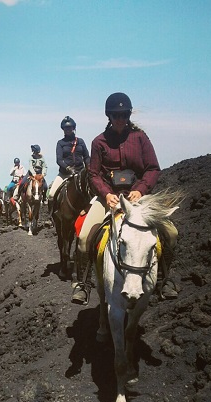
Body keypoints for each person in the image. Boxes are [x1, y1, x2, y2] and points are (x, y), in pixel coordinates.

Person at [71, 92, 178, 305]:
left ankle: (164, 280)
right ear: (108, 116)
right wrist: (106, 194)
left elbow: (152, 168)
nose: (120, 119)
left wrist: (140, 189)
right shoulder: (98, 142)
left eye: (124, 115)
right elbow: (93, 174)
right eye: (116, 115)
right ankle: (83, 284)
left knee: (171, 233)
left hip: (137, 197)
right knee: (83, 239)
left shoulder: (141, 138)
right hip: (108, 198)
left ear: (128, 115)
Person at [47, 116, 90, 211]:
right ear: (63, 129)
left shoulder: (80, 141)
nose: (68, 130)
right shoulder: (60, 143)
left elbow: (86, 157)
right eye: (66, 128)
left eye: (70, 128)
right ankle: (52, 216)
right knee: (51, 194)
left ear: (73, 128)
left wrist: (89, 168)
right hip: (65, 174)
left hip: (80, 173)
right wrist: (68, 168)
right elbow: (59, 160)